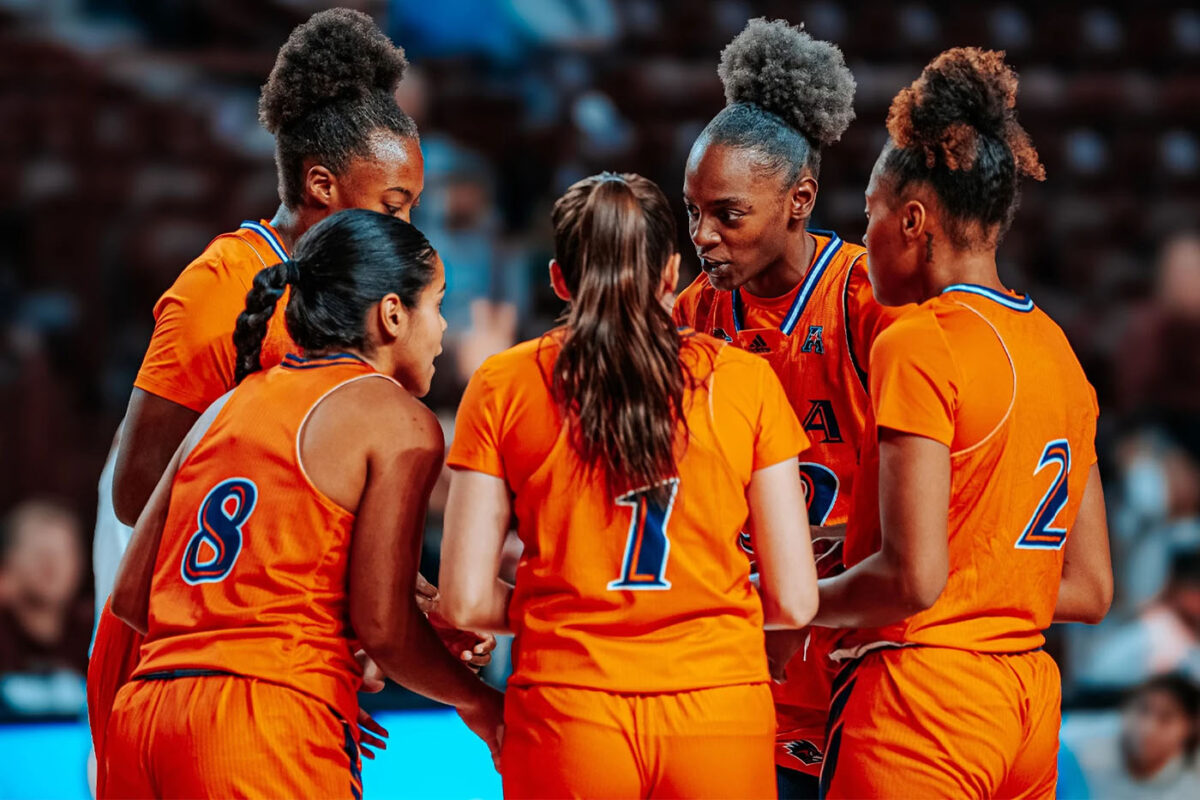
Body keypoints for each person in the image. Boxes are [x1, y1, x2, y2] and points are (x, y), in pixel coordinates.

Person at [87, 9, 492, 792]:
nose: (406, 229)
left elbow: (301, 503)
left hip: (230, 649)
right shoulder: (224, 288)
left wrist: (338, 644)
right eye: (395, 205)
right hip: (172, 630)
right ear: (320, 184)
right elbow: (139, 492)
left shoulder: (324, 318)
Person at [438, 172, 819, 799]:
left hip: (570, 711)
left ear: (558, 279)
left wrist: (568, 604)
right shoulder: (744, 381)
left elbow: (464, 601)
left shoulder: (503, 384)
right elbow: (796, 602)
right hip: (718, 709)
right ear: (670, 275)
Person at [105, 209, 503, 798]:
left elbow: (133, 597)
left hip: (144, 719)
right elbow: (384, 626)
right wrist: (479, 702)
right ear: (393, 314)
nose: (444, 331)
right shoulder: (397, 419)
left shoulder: (227, 404)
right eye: (438, 305)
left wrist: (320, 666)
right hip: (262, 722)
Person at [813, 48, 1113, 798]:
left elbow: (913, 579)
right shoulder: (1059, 350)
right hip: (1024, 708)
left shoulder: (919, 337)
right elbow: (1091, 587)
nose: (864, 233)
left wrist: (781, 597)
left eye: (870, 214)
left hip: (924, 705)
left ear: (913, 221)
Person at [673, 18, 898, 796]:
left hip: (853, 663)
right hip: (737, 670)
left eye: (727, 215)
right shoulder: (691, 315)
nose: (703, 235)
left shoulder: (868, 300)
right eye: (692, 210)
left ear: (798, 200)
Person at [1066, 674, 1200, 800]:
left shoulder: (1194, 775)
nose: (1148, 729)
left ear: (1190, 728)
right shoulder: (1082, 745)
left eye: (1166, 718)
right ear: (1125, 709)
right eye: (1143, 710)